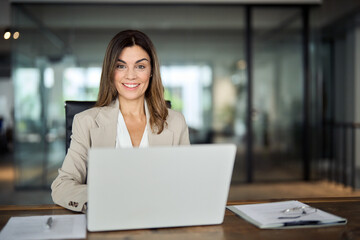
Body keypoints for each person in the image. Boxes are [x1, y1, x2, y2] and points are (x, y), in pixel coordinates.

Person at [51, 30, 190, 212]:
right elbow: (62, 186)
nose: (130, 75)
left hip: (160, 219)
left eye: (140, 66)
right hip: (108, 219)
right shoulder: (86, 122)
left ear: (151, 71)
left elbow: (187, 183)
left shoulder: (176, 122)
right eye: (121, 66)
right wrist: (107, 198)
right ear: (110, 71)